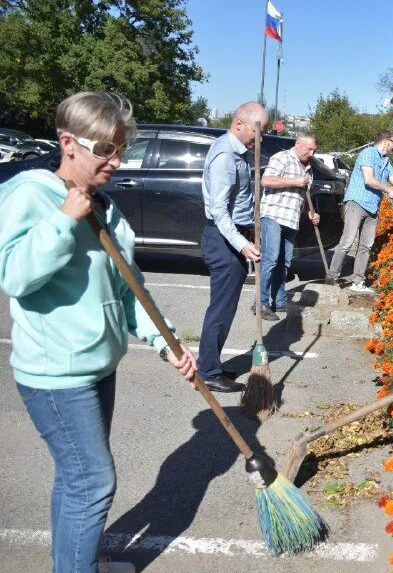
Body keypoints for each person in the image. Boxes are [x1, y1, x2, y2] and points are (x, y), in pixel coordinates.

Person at [0, 91, 197, 573]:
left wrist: (166, 341)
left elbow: (131, 292)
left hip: (98, 367)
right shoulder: (30, 194)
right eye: (106, 149)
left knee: (75, 481)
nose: (117, 160)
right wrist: (63, 220)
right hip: (55, 374)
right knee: (92, 483)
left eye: (121, 149)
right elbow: (14, 276)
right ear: (68, 143)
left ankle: (78, 562)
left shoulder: (107, 208)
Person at [197, 101, 269, 391]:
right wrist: (241, 244)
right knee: (222, 308)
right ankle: (208, 372)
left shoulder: (241, 152)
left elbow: (240, 203)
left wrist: (251, 229)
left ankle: (210, 362)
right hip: (224, 239)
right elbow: (219, 211)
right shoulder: (226, 156)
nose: (260, 139)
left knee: (224, 306)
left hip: (235, 235)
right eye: (257, 131)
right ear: (239, 123)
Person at [328, 130, 393, 294]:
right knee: (347, 241)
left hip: (373, 207)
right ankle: (332, 278)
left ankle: (358, 282)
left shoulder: (386, 162)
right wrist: (388, 190)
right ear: (387, 141)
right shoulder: (368, 153)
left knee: (366, 245)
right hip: (357, 203)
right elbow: (369, 180)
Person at [255, 132, 321, 320]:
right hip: (273, 216)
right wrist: (294, 181)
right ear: (298, 143)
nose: (311, 153)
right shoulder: (282, 158)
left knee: (284, 263)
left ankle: (280, 300)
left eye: (314, 150)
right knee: (270, 260)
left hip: (291, 220)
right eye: (309, 149)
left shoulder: (309, 168)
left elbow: (304, 196)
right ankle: (260, 303)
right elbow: (266, 180)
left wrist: (311, 212)